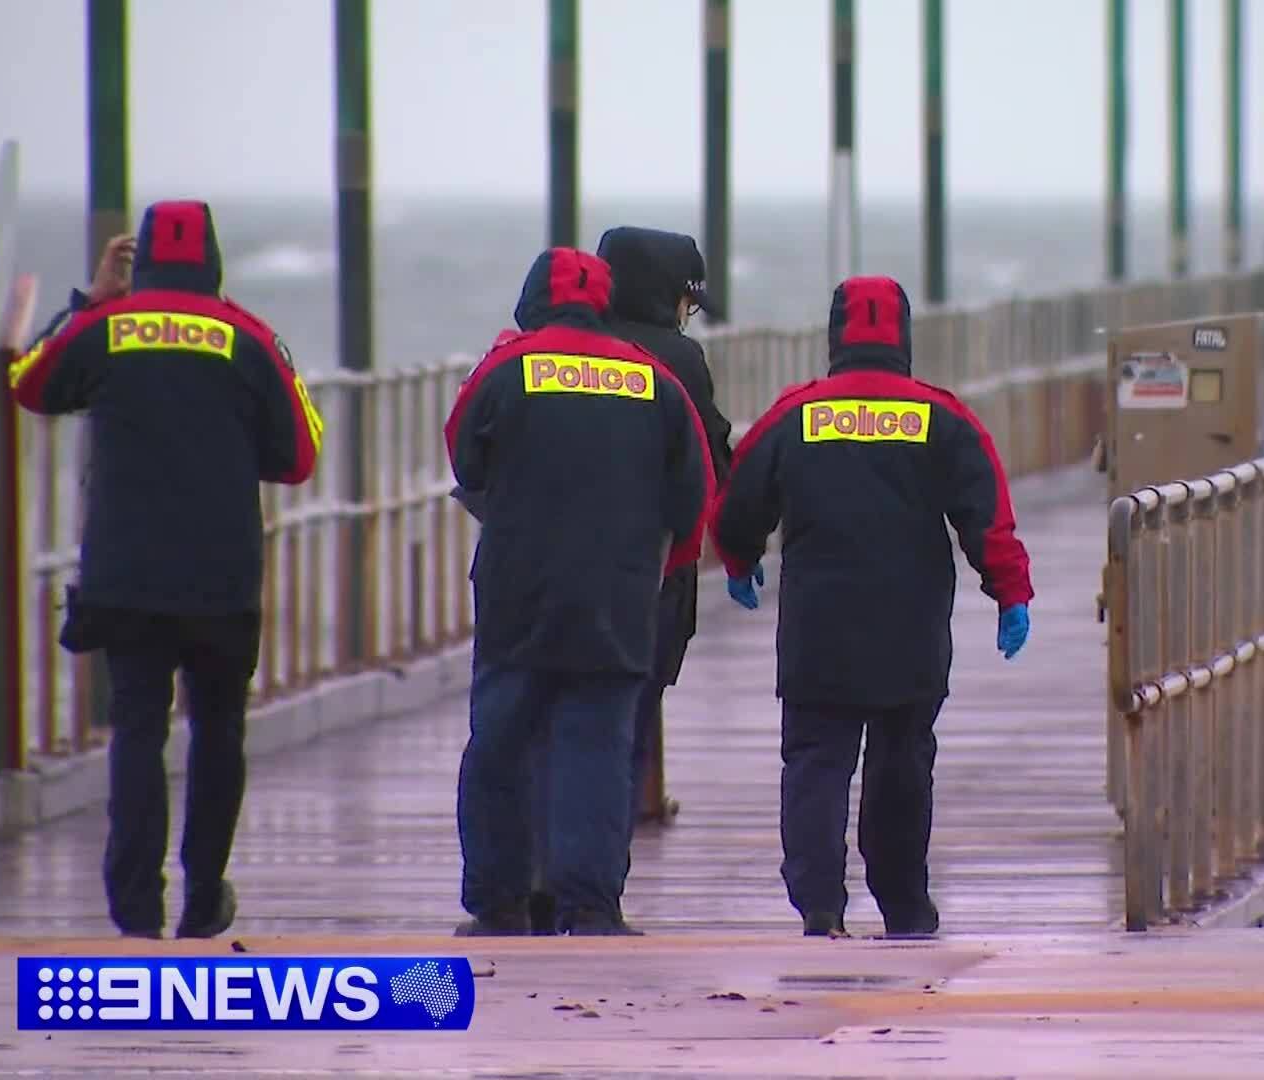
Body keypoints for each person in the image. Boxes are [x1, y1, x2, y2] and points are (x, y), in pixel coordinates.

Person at [8, 201, 325, 939]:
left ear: (141, 257)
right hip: (221, 578)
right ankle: (204, 893)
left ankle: (134, 906)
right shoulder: (247, 338)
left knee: (137, 730)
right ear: (212, 259)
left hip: (126, 575)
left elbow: (29, 385)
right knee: (219, 730)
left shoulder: (105, 328)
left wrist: (90, 300)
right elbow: (302, 454)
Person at [712, 275, 1034, 939]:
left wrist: (741, 560)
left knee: (816, 764)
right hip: (909, 628)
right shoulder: (942, 418)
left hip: (818, 628)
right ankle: (905, 906)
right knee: (903, 765)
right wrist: (1009, 592)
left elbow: (739, 497)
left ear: (835, 337)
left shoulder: (794, 415)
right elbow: (987, 514)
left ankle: (820, 906)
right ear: (903, 337)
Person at [443, 246, 714, 936]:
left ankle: (500, 902)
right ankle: (591, 906)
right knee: (598, 748)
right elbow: (694, 495)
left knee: (500, 744)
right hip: (616, 595)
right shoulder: (653, 381)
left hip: (517, 590)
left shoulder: (505, 370)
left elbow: (464, 455)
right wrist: (659, 569)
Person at [594, 225, 734, 827]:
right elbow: (705, 460)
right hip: (648, 569)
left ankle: (526, 880)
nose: (688, 314)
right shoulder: (677, 358)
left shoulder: (540, 350)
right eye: (688, 300)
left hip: (532, 572)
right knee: (625, 718)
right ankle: (598, 872)